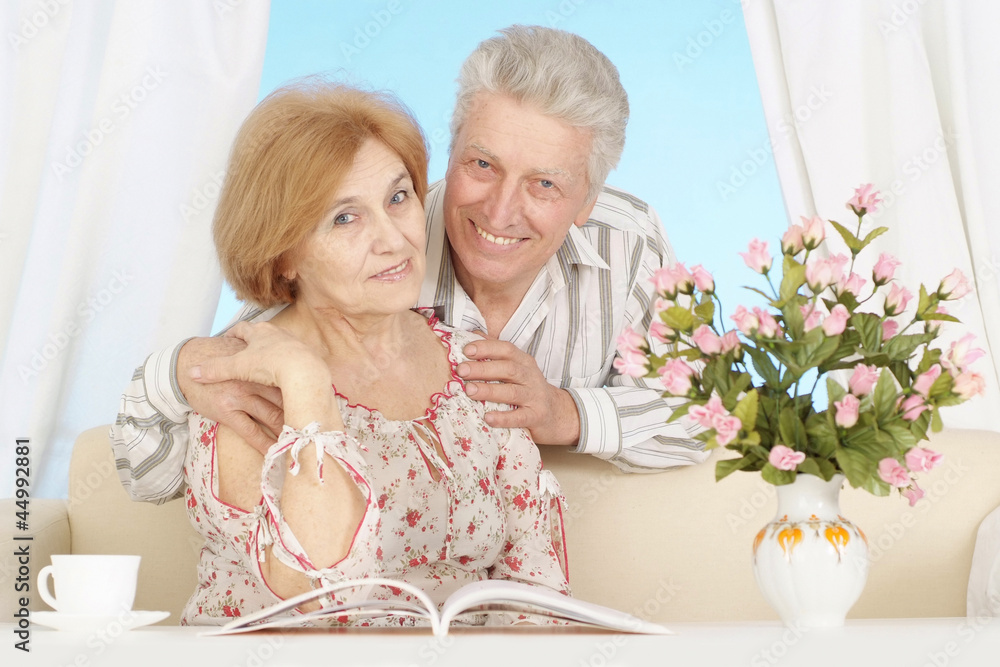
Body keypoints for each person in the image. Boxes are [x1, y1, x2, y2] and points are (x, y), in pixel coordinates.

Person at [111, 25, 708, 505]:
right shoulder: (379, 243)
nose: (500, 211)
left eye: (545, 184)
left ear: (587, 201)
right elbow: (152, 474)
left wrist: (566, 412)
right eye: (482, 165)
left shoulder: (628, 241)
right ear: (451, 150)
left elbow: (711, 414)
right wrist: (183, 369)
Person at [179, 82, 568, 625]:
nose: (394, 239)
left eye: (398, 198)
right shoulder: (243, 385)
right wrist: (306, 381)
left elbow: (536, 585)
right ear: (284, 252)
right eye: (345, 218)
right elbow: (317, 590)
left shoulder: (472, 362)